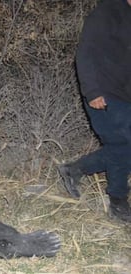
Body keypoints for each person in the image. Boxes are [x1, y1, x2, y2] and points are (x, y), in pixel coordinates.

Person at [58, 0, 131, 223]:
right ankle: (118, 201)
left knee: (122, 147)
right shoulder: (107, 11)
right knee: (122, 144)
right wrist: (92, 91)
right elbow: (85, 52)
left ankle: (75, 169)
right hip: (104, 93)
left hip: (125, 95)